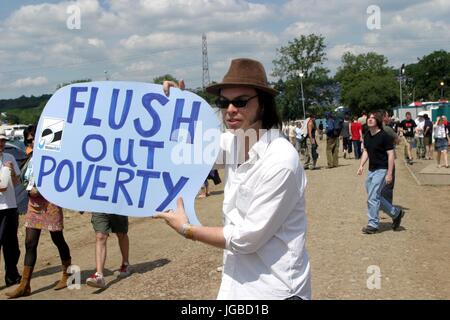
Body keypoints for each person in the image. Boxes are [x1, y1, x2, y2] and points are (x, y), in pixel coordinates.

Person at [156, 58, 311, 299]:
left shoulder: (280, 161)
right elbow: (186, 150)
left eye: (240, 102)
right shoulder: (234, 141)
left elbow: (246, 239)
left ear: (263, 104)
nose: (230, 109)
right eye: (223, 102)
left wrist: (187, 229)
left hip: (275, 290)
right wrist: (179, 107)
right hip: (237, 287)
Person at [6, 125, 73, 298]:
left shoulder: (54, 156)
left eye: (34, 138)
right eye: (28, 140)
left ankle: (68, 273)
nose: (31, 142)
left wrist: (41, 190)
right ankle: (25, 285)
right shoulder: (30, 159)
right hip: (33, 204)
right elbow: (24, 181)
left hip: (50, 202)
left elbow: (60, 178)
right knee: (29, 242)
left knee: (57, 238)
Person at [357, 112, 405, 234]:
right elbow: (366, 151)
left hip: (382, 170)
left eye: (373, 118)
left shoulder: (384, 136)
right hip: (371, 170)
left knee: (372, 197)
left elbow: (391, 155)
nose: (370, 120)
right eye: (369, 118)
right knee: (375, 196)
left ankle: (373, 224)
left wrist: (389, 173)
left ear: (378, 121)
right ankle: (396, 213)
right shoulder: (367, 135)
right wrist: (361, 165)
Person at [0, 129, 22, 288]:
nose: (1, 143)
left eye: (2, 140)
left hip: (10, 206)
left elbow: (16, 183)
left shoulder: (10, 157)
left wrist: (12, 171)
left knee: (11, 244)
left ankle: (12, 276)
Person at [86, 213, 131, 288]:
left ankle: (126, 264)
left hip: (117, 206)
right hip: (99, 207)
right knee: (100, 236)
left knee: (121, 233)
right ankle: (99, 276)